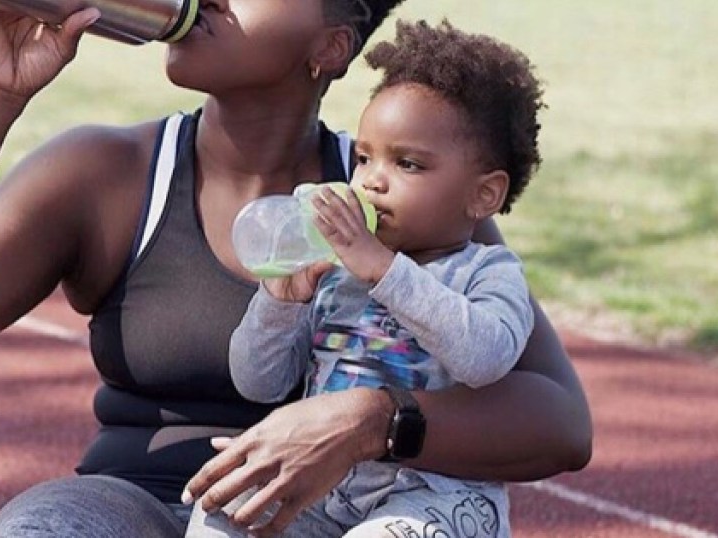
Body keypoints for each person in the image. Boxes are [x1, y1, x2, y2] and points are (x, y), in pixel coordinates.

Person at [0, 0, 592, 536]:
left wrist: (371, 421)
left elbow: (558, 423)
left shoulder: (405, 209)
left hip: (339, 515)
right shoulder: (103, 172)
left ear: (329, 47)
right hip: (135, 503)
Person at [185, 19, 544, 537]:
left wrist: (381, 269)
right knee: (226, 506)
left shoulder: (487, 271)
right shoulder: (336, 271)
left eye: (408, 164)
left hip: (436, 497)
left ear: (483, 195)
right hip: (322, 490)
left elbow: (485, 357)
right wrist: (280, 300)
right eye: (363, 157)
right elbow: (258, 383)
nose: (371, 180)